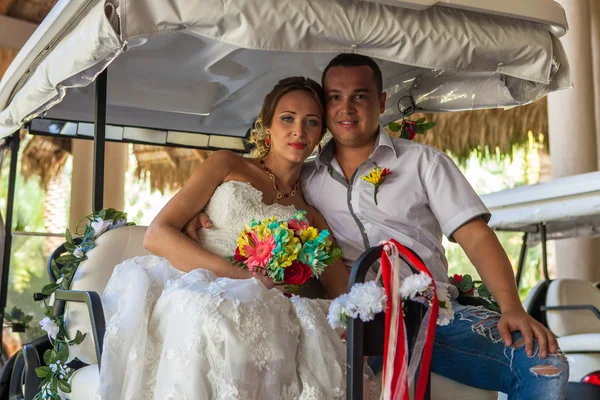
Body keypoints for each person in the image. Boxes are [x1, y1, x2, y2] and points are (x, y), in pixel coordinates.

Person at [187, 54, 570, 399]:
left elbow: (474, 235)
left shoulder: (424, 163)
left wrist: (512, 307)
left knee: (545, 364)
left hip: (430, 313)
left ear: (381, 102)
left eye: (360, 96)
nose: (347, 107)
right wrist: (202, 214)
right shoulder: (304, 178)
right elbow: (258, 193)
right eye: (335, 97)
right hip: (354, 320)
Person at [95, 77, 366, 399]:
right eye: (287, 118)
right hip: (199, 284)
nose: (299, 131)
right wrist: (243, 276)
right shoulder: (227, 164)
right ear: (267, 126)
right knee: (218, 312)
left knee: (276, 319)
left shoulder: (311, 215)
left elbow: (343, 291)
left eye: (312, 122)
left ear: (321, 134)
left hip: (267, 303)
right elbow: (157, 234)